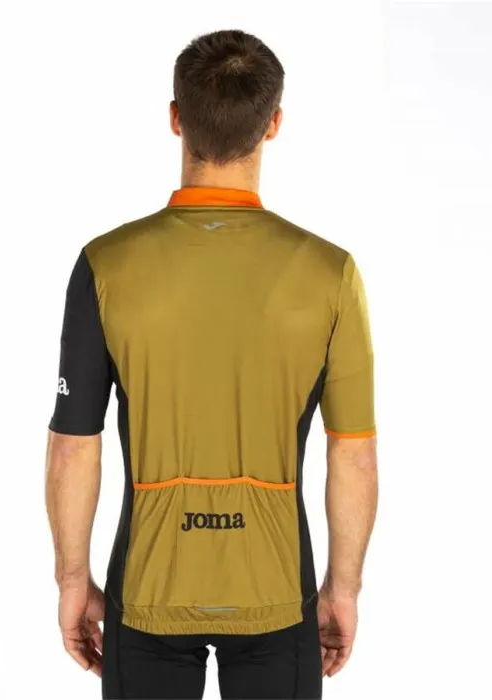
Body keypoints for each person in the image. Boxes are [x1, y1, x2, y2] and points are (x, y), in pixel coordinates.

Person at [45, 29, 378, 700]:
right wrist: (342, 588)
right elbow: (354, 456)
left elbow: (73, 447)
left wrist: (73, 579)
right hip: (277, 594)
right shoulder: (330, 273)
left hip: (149, 590)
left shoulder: (106, 265)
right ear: (273, 124)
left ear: (176, 118)